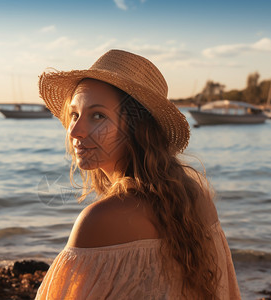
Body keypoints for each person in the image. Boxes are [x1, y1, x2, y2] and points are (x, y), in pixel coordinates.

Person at [35, 49, 241, 299]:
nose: (74, 131)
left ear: (136, 129)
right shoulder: (198, 198)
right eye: (75, 115)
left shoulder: (99, 221)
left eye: (97, 116)